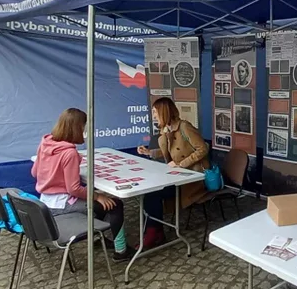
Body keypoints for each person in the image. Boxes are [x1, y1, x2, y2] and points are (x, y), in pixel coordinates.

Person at [32, 108, 131, 260]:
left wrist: (55, 176)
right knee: (115, 204)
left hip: (45, 201)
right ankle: (121, 251)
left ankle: (98, 237)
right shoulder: (69, 153)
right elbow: (74, 189)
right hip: (62, 204)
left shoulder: (46, 143)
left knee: (102, 203)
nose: (85, 131)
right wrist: (97, 196)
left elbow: (34, 173)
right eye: (84, 127)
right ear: (78, 128)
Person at [137, 97, 209, 248]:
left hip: (193, 178)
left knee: (153, 194)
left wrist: (180, 165)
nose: (153, 115)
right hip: (178, 176)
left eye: (155, 111)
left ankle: (154, 233)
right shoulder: (166, 129)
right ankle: (155, 232)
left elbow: (203, 149)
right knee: (150, 193)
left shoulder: (185, 127)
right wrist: (149, 152)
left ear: (163, 112)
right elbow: (169, 154)